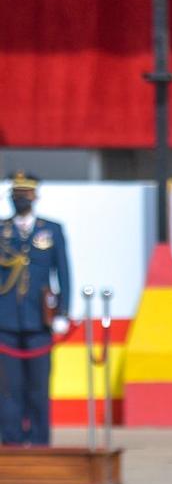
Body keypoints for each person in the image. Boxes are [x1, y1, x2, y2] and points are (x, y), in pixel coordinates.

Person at [0, 172, 70, 446]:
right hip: (5, 322)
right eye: (16, 194)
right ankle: (11, 442)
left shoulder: (51, 230)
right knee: (8, 389)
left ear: (34, 196)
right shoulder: (2, 231)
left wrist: (63, 311)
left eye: (25, 194)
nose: (20, 199)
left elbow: (63, 271)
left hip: (40, 321)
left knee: (38, 388)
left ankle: (40, 443)